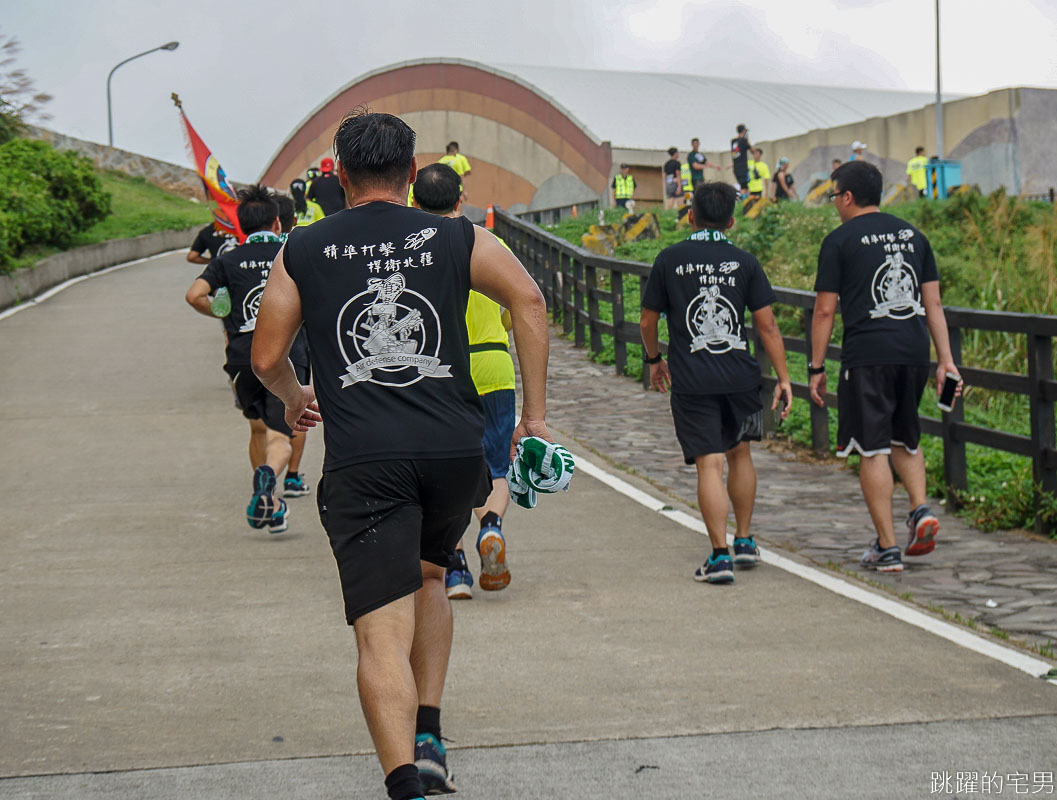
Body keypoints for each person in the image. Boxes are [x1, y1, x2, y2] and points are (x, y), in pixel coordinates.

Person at [250, 109, 551, 800]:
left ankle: (406, 786)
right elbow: (528, 301)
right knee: (429, 575)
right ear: (411, 174)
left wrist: (296, 398)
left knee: (380, 632)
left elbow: (266, 355)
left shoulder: (306, 246)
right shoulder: (455, 235)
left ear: (341, 176)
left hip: (366, 459)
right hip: (454, 451)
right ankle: (430, 733)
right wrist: (531, 418)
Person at [809, 160, 961, 573]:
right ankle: (919, 509)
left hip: (868, 354)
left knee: (871, 447)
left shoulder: (839, 241)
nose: (833, 204)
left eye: (834, 196)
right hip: (914, 352)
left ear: (848, 197)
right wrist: (946, 360)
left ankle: (888, 547)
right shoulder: (915, 236)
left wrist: (815, 366)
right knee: (905, 436)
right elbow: (932, 303)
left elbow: (824, 312)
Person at [640, 181, 793, 584]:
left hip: (693, 378)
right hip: (739, 376)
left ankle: (720, 556)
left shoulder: (670, 259)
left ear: (690, 215)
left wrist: (655, 359)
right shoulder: (744, 261)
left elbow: (647, 320)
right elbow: (768, 325)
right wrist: (783, 377)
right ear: (731, 220)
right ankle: (744, 540)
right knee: (740, 454)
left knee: (709, 463)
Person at [412, 162, 517, 599]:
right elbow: (515, 310)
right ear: (461, 199)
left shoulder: (411, 252)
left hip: (441, 370)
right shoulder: (491, 243)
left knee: (446, 473)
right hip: (494, 366)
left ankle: (454, 570)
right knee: (495, 467)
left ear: (413, 203)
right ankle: (490, 527)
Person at [185, 185, 311, 532]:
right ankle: (269, 479)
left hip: (242, 356)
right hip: (287, 356)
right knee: (281, 437)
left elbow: (194, 295)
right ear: (276, 223)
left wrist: (223, 315)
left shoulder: (227, 260)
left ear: (242, 226)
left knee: (257, 427)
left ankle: (269, 505)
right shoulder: (291, 253)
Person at [730, 124, 751, 194]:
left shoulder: (733, 141)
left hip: (736, 168)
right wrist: (747, 140)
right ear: (744, 131)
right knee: (744, 187)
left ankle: (746, 201)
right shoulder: (743, 141)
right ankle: (745, 202)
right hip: (743, 168)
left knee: (744, 186)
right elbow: (752, 150)